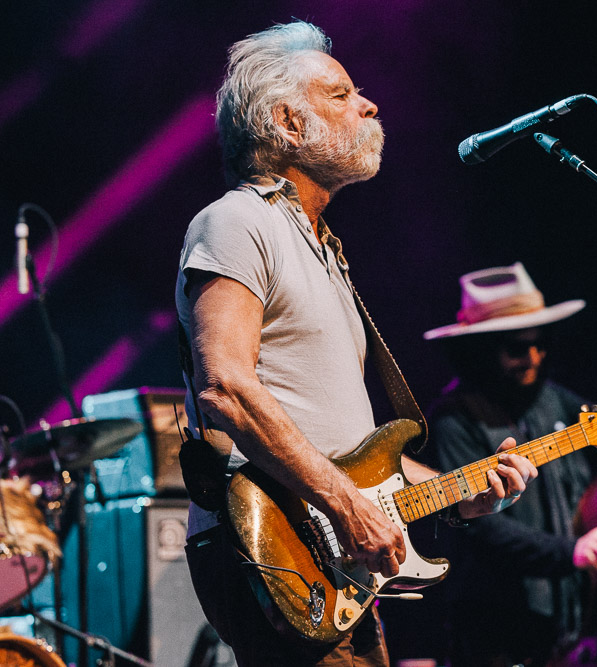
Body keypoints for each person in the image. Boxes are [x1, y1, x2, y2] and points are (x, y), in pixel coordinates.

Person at [174, 22, 537, 667]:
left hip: (331, 564)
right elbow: (224, 386)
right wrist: (344, 506)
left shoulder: (322, 248)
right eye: (340, 95)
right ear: (286, 123)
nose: (368, 105)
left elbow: (352, 454)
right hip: (275, 549)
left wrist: (461, 490)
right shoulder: (236, 222)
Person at [420, 262, 597, 666]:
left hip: (568, 626)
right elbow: (480, 528)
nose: (533, 358)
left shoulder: (555, 401)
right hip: (494, 633)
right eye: (517, 348)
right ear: (481, 350)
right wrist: (570, 551)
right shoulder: (454, 418)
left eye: (540, 345)